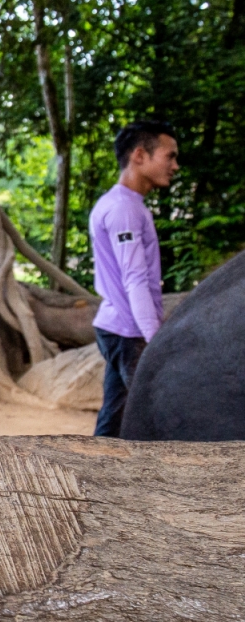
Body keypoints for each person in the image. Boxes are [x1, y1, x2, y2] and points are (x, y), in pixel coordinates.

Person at [90, 120, 179, 437]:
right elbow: (135, 280)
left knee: (116, 414)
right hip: (128, 332)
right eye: (169, 156)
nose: (175, 166)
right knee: (158, 415)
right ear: (140, 155)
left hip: (122, 327)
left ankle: (96, 474)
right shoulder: (122, 209)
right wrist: (156, 339)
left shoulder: (129, 206)